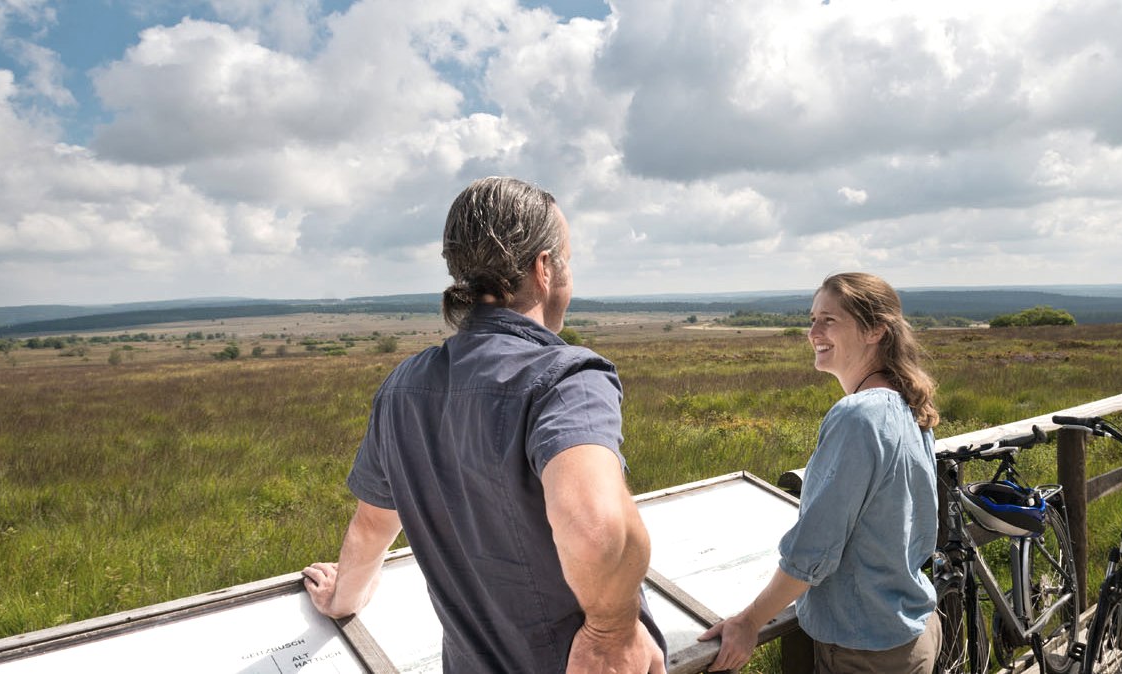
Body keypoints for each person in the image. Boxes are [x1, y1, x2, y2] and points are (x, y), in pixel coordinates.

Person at [302, 177, 666, 673]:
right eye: (567, 261)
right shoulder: (567, 379)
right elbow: (596, 529)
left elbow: (372, 526)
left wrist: (342, 600)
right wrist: (611, 631)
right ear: (543, 269)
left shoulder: (402, 388)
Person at [698, 272, 942, 673]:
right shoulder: (905, 406)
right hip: (909, 628)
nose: (813, 331)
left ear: (875, 330)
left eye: (829, 320)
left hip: (865, 649)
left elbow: (815, 550)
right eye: (812, 319)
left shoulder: (859, 416)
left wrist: (748, 622)